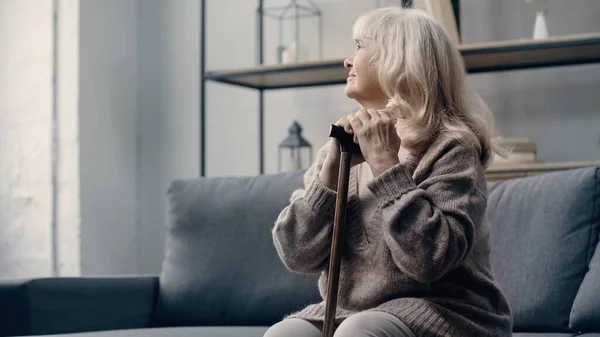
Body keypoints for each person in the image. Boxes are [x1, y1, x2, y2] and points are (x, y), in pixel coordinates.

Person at [265, 6, 513, 337]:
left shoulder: (452, 149)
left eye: (359, 46)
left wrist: (385, 163)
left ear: (398, 60)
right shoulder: (341, 146)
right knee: (284, 334)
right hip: (350, 311)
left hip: (446, 312)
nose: (347, 60)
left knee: (360, 331)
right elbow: (296, 255)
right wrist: (327, 181)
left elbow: (429, 259)